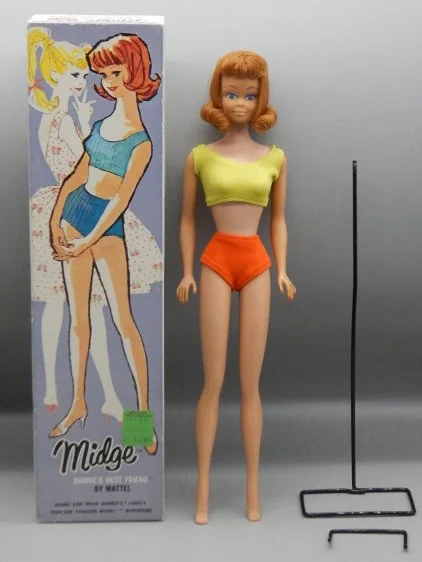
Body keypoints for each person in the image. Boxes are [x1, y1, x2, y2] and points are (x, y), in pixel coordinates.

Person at [176, 51, 296, 523]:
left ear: (260, 98)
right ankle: (203, 486)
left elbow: (279, 220)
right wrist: (187, 271)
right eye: (231, 93)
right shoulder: (199, 157)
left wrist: (283, 269)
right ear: (218, 96)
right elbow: (188, 219)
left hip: (257, 264)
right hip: (215, 261)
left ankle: (252, 487)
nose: (240, 103)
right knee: (212, 381)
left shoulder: (276, 158)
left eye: (249, 94)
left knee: (251, 385)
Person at [28, 28, 162, 424]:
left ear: (135, 71)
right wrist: (55, 221)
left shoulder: (141, 142)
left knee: (124, 322)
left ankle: (141, 422)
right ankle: (78, 404)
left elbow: (121, 199)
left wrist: (90, 238)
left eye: (116, 73)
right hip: (75, 216)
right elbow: (76, 177)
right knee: (79, 320)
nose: (108, 82)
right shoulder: (100, 126)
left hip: (105, 227)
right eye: (104, 75)